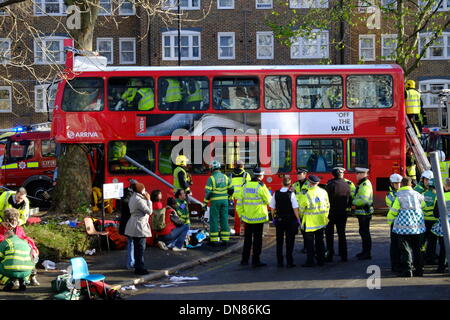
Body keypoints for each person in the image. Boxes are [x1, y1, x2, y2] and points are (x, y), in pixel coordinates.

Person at [387, 177, 426, 277]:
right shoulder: (417, 194)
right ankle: (419, 270)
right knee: (417, 249)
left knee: (406, 250)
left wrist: (390, 221)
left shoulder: (399, 196)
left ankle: (408, 271)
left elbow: (394, 211)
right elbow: (424, 206)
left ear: (402, 184)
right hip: (417, 228)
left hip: (403, 229)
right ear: (411, 184)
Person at [236, 167, 272, 267]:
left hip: (247, 218)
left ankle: (244, 260)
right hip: (258, 218)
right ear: (261, 175)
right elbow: (269, 201)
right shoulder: (261, 187)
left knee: (247, 240)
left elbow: (239, 203)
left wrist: (241, 215)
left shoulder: (245, 185)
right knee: (257, 240)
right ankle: (255, 260)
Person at [0, 208, 39, 287]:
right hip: (7, 253)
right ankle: (13, 278)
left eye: (15, 221)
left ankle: (31, 275)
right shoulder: (1, 229)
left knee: (32, 251)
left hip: (17, 255)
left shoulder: (19, 229)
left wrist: (33, 248)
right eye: (11, 222)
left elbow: (24, 238)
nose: (13, 224)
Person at [298, 175, 329, 267]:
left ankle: (310, 262)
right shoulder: (323, 192)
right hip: (320, 221)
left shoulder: (305, 194)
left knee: (309, 243)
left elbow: (301, 209)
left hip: (309, 223)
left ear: (309, 182)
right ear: (318, 183)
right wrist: (325, 217)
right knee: (320, 241)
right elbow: (327, 205)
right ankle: (321, 260)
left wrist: (300, 217)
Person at [269, 176, 301, 268]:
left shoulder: (276, 193)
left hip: (279, 220)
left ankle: (279, 261)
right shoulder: (291, 194)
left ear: (281, 183)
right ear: (290, 184)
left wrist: (273, 217)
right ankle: (289, 261)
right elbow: (295, 208)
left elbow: (272, 208)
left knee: (279, 241)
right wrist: (298, 219)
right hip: (290, 220)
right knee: (289, 240)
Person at [124, 182, 153, 275]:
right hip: (140, 226)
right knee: (140, 248)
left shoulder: (133, 197)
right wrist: (149, 200)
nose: (145, 190)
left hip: (134, 224)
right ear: (141, 190)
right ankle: (140, 268)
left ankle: (138, 266)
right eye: (144, 189)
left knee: (137, 247)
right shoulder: (139, 200)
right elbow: (149, 211)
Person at [203, 160, 234, 246]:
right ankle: (225, 239)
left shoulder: (211, 178)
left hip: (215, 202)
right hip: (225, 202)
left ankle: (214, 240)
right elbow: (231, 189)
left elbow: (208, 193)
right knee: (224, 219)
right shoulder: (225, 177)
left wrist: (205, 203)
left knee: (214, 220)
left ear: (212, 169)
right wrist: (228, 196)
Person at [325, 167, 352, 263]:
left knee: (329, 235)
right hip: (342, 213)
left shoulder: (330, 185)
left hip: (331, 213)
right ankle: (344, 255)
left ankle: (330, 255)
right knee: (342, 234)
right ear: (341, 174)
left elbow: (326, 199)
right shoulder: (347, 185)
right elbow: (349, 199)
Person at [353, 167, 374, 260]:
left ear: (362, 174)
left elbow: (364, 200)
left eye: (357, 174)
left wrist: (353, 202)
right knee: (363, 232)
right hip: (363, 213)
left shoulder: (365, 185)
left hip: (364, 213)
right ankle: (365, 251)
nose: (356, 175)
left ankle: (367, 253)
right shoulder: (363, 184)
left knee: (365, 233)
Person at [431, 178, 450, 273]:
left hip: (445, 226)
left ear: (446, 186)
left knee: (443, 246)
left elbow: (436, 213)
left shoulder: (440, 196)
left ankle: (442, 267)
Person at [119, 179, 137, 270]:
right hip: (129, 222)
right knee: (131, 242)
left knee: (132, 242)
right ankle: (130, 263)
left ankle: (132, 262)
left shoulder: (128, 193)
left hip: (130, 222)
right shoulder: (128, 194)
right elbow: (125, 203)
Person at [386, 173, 403, 273]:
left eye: (399, 183)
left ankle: (401, 263)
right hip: (395, 223)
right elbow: (396, 205)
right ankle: (395, 265)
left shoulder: (401, 192)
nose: (398, 185)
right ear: (392, 184)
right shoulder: (390, 195)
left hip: (403, 222)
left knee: (402, 245)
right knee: (395, 246)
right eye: (396, 183)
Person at [231, 161, 251, 235]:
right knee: (245, 214)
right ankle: (246, 231)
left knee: (237, 215)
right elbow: (248, 186)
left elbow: (231, 187)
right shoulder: (246, 174)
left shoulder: (232, 175)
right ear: (242, 166)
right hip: (244, 197)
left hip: (236, 198)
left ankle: (237, 231)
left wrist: (231, 197)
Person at [291, 168, 308, 253]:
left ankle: (307, 247)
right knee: (301, 231)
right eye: (297, 174)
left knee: (306, 231)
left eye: (300, 174)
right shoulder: (295, 185)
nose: (298, 175)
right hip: (297, 212)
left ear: (305, 174)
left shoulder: (309, 184)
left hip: (306, 212)